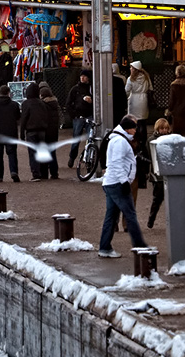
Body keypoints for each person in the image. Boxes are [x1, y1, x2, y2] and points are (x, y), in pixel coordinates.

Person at [98, 115, 148, 258]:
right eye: (134, 128)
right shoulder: (120, 141)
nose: (135, 131)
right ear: (127, 129)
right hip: (117, 184)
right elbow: (117, 163)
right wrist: (124, 182)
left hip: (111, 183)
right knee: (130, 215)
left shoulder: (117, 139)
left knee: (111, 216)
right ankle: (140, 247)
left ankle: (105, 247)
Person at [0, 85, 21, 182]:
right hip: (10, 133)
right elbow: (18, 117)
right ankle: (14, 171)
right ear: (8, 93)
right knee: (12, 154)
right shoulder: (14, 105)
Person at [18, 82, 51, 181]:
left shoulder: (26, 103)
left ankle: (36, 174)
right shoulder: (42, 103)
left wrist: (22, 132)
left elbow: (24, 118)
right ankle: (44, 173)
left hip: (31, 130)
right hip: (42, 130)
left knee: (32, 153)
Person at [145, 118, 172, 228]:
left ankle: (172, 220)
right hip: (157, 174)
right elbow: (149, 155)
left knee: (171, 198)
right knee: (158, 198)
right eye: (162, 128)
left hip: (167, 173)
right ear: (157, 129)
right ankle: (151, 219)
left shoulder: (170, 139)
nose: (164, 130)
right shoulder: (152, 140)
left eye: (166, 128)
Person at [66, 69, 93, 168]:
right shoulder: (75, 89)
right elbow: (68, 103)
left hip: (89, 116)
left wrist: (91, 102)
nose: (82, 78)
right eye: (81, 76)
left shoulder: (92, 88)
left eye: (85, 76)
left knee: (91, 138)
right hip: (79, 117)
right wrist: (73, 115)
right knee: (76, 138)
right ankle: (72, 157)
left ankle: (89, 158)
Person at [40, 83, 62, 180]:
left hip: (45, 131)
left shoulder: (42, 105)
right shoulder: (55, 103)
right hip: (53, 131)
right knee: (52, 152)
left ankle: (44, 174)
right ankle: (54, 173)